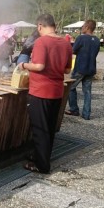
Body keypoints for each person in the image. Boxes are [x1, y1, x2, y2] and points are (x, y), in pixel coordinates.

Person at [19, 14, 72, 174]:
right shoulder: (66, 43)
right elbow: (67, 70)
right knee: (48, 127)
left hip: (41, 91)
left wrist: (24, 65)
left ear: (40, 26)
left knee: (40, 129)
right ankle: (39, 155)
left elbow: (40, 66)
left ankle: (42, 166)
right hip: (56, 92)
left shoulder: (41, 41)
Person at [65, 20, 100, 120]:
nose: (82, 28)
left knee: (71, 87)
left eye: (83, 26)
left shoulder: (81, 38)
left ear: (87, 27)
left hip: (80, 67)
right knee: (87, 91)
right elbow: (95, 54)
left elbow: (73, 51)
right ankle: (86, 114)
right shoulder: (97, 40)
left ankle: (74, 109)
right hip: (91, 68)